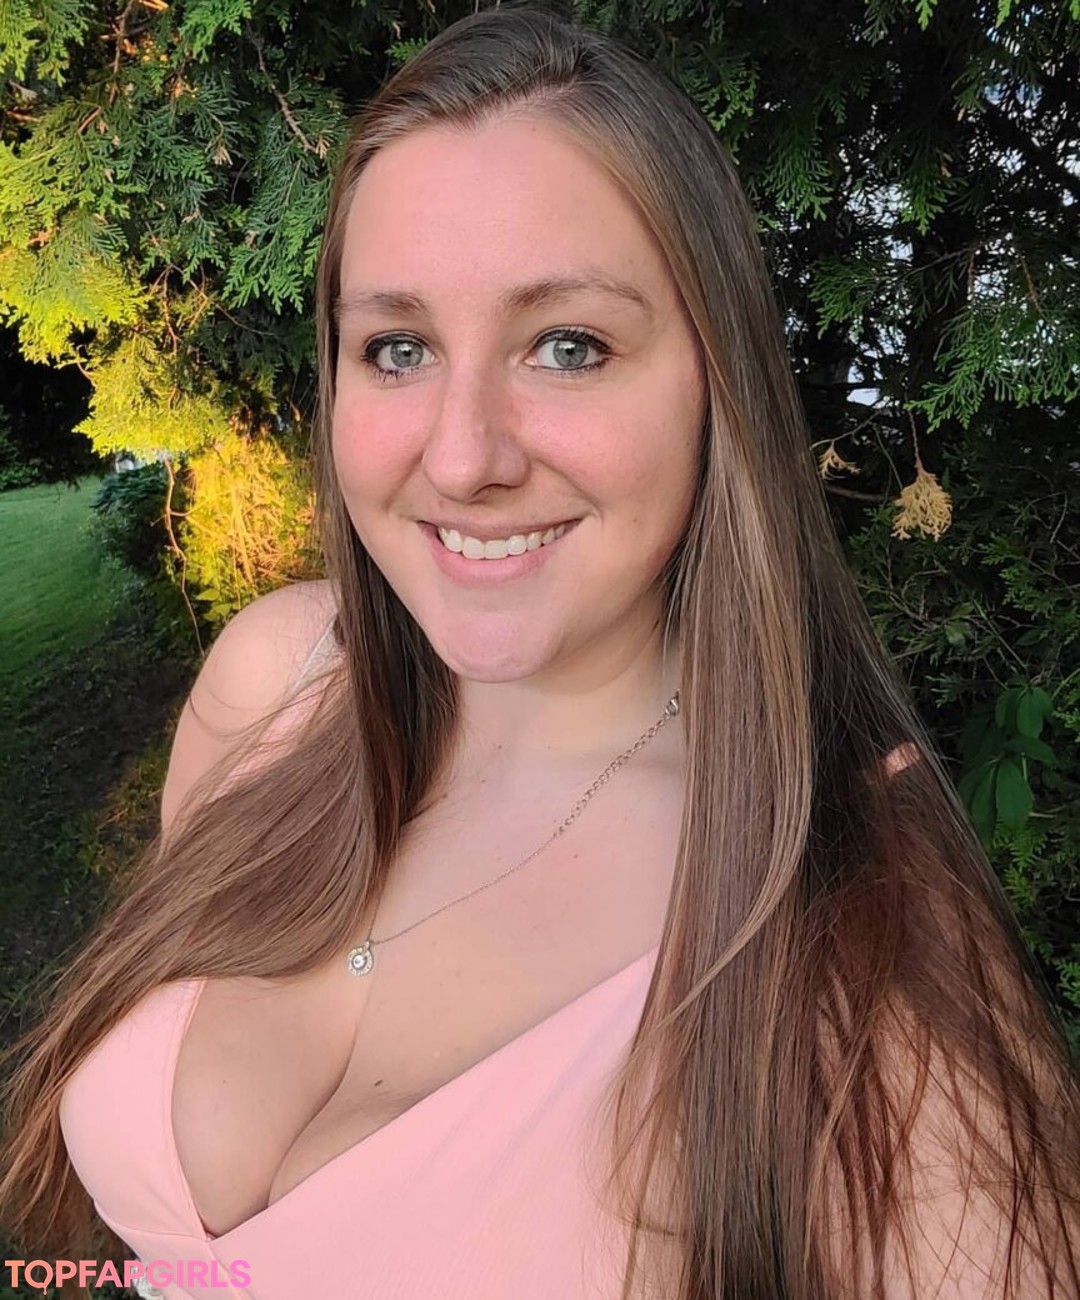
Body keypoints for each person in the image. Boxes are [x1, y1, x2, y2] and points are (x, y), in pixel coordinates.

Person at [2, 4, 1078, 1298]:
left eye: (568, 347)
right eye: (398, 347)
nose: (463, 457)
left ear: (719, 384)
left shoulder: (864, 930)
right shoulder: (274, 687)